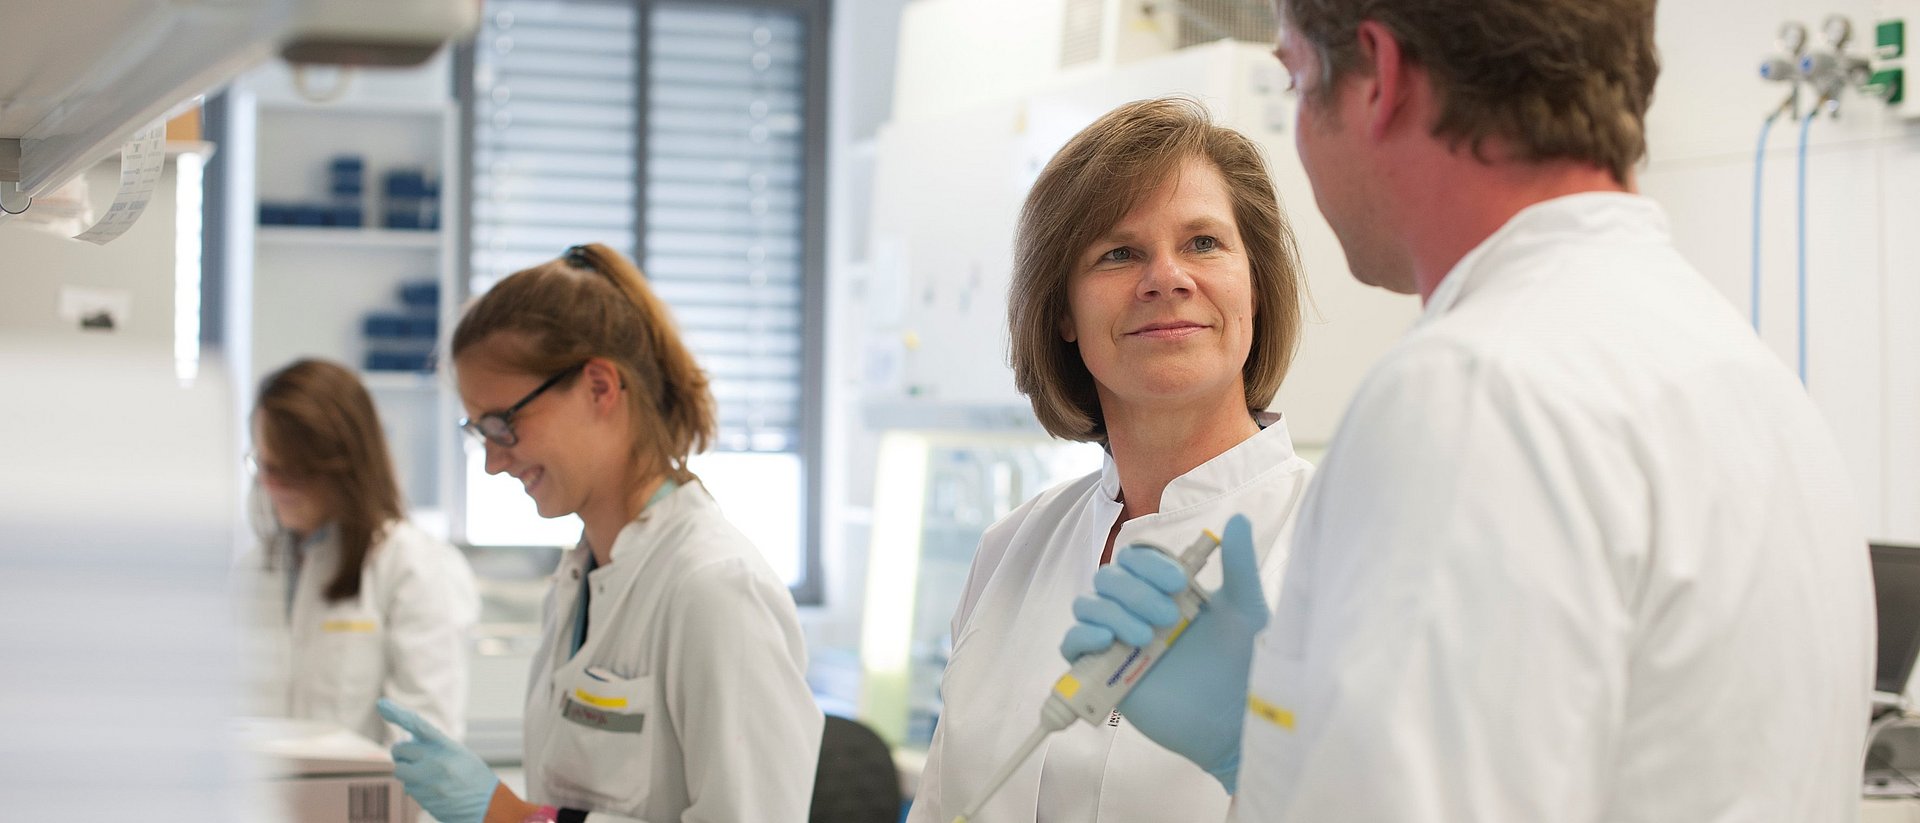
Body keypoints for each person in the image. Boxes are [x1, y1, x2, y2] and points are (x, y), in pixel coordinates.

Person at [1064, 1, 1876, 819]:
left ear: (1378, 77)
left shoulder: (1473, 389)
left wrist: (1261, 747)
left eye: (1299, 81)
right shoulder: (1752, 380)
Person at [907, 97, 1314, 823]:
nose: (1166, 277)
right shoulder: (1010, 550)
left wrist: (1252, 755)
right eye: (1119, 253)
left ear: (1254, 285)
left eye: (1203, 243)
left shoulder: (1339, 543)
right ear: (1062, 312)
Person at [374, 243, 822, 823]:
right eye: (476, 430)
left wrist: (515, 819)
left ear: (599, 388)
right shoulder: (582, 578)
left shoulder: (714, 588)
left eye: (502, 424)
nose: (491, 461)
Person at [246, 358, 479, 746]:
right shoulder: (254, 569)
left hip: (363, 805)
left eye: (290, 471)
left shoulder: (410, 565)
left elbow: (424, 741)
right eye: (264, 466)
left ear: (341, 466)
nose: (272, 486)